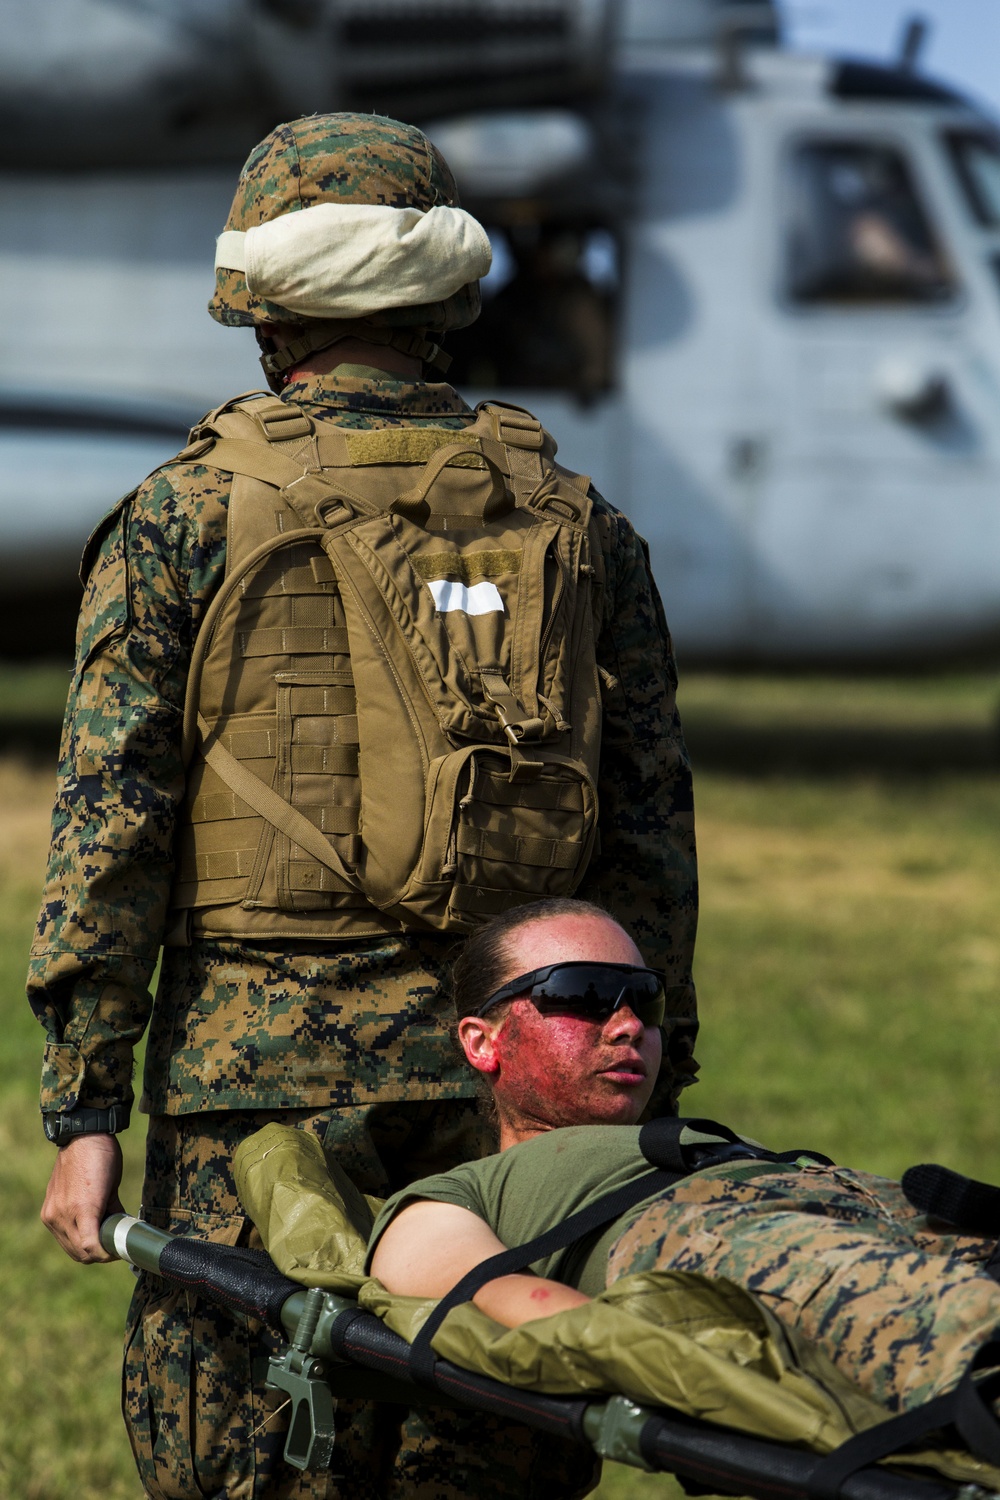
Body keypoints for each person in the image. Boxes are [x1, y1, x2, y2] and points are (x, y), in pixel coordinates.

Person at [27, 113, 698, 1500]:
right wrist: (646, 1077)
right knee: (493, 1443)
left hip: (255, 1100)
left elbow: (113, 823)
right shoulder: (577, 521)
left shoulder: (185, 513)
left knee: (245, 1458)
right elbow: (645, 826)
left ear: (263, 305)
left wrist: (83, 1101)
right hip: (519, 1073)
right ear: (448, 296)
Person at [369, 897, 1000, 1419]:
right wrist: (708, 1376)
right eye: (584, 993)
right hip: (742, 1252)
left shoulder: (680, 1142)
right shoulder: (460, 1194)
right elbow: (501, 1302)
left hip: (860, 1206)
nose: (626, 1025)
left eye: (643, 999)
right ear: (484, 1041)